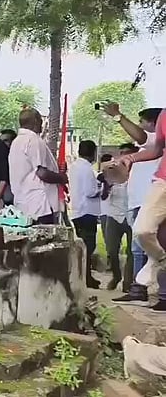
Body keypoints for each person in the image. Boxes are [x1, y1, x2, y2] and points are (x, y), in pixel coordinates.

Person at [105, 104, 165, 306]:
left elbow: (141, 136)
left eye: (142, 121)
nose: (139, 125)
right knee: (141, 239)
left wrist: (118, 116)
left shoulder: (149, 136)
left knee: (148, 242)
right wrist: (130, 157)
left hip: (147, 198)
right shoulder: (161, 124)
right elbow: (153, 148)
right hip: (150, 192)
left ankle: (150, 287)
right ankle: (147, 278)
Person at [8, 108, 68, 224]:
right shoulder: (33, 139)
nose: (42, 124)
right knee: (45, 240)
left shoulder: (16, 141)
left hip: (23, 202)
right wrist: (62, 178)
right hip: (39, 204)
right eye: (41, 120)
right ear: (36, 121)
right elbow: (42, 173)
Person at [69, 140, 102, 288]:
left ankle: (82, 276)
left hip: (77, 210)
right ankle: (86, 278)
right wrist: (101, 189)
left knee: (82, 247)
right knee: (88, 247)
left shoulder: (74, 167)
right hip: (88, 211)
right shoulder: (88, 168)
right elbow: (91, 192)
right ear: (93, 153)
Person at [101, 146, 134, 292]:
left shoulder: (137, 173)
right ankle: (116, 276)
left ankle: (128, 284)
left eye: (126, 154)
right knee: (112, 250)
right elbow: (103, 196)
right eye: (121, 154)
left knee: (132, 252)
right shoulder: (112, 172)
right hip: (114, 215)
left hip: (131, 214)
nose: (123, 157)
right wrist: (107, 184)